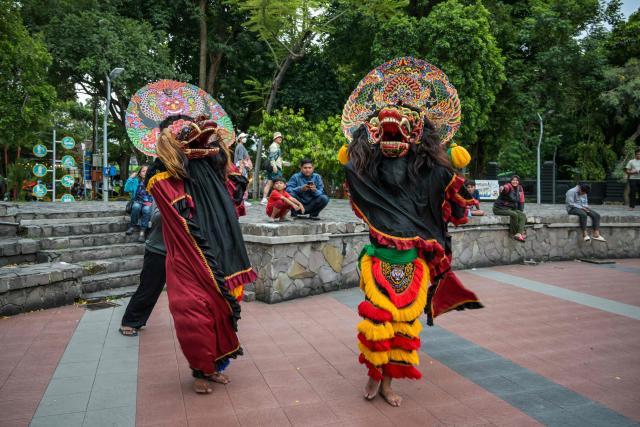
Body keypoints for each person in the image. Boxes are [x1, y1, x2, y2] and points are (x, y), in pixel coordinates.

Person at [340, 57, 482, 407]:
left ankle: (388, 382)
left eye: (403, 126)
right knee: (377, 323)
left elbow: (457, 200)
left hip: (414, 266)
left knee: (405, 327)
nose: (392, 131)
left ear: (418, 132)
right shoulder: (365, 173)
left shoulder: (431, 175)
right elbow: (353, 170)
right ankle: (374, 375)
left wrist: (456, 178)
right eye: (383, 127)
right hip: (377, 264)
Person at [119, 203, 166, 336]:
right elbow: (156, 218)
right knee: (149, 289)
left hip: (183, 252)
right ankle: (130, 321)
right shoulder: (162, 190)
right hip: (158, 250)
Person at [493, 175, 527, 242]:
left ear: (519, 182)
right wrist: (502, 188)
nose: (515, 181)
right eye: (513, 180)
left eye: (516, 180)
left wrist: (520, 211)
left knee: (522, 215)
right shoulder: (508, 186)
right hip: (499, 208)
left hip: (510, 208)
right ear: (511, 181)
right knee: (514, 214)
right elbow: (505, 187)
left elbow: (522, 201)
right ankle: (514, 233)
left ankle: (518, 233)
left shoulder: (520, 188)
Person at [125, 165, 153, 242]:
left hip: (148, 202)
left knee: (147, 210)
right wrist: (130, 178)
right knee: (136, 207)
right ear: (140, 173)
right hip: (137, 201)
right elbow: (126, 189)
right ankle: (132, 226)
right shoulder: (136, 181)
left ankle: (142, 231)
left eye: (147, 171)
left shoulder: (153, 181)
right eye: (143, 171)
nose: (145, 173)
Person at [260, 132, 289, 205]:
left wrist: (284, 163)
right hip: (275, 168)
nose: (280, 138)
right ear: (275, 138)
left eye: (281, 137)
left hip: (274, 167)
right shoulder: (274, 146)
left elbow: (277, 158)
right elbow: (272, 157)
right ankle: (277, 198)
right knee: (279, 183)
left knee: (269, 183)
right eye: (278, 137)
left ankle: (264, 199)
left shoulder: (276, 146)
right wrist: (274, 167)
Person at [234, 133, 253, 206]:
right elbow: (240, 159)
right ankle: (242, 200)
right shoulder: (240, 146)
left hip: (240, 167)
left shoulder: (240, 146)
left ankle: (242, 200)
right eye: (244, 137)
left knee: (242, 183)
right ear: (240, 139)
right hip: (241, 167)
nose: (245, 138)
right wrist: (241, 169)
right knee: (243, 183)